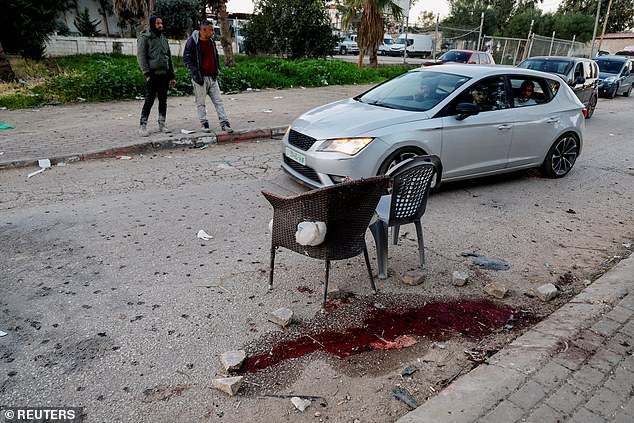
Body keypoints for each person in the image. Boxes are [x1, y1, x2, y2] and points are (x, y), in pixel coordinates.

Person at [183, 20, 233, 133]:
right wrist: (195, 73)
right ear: (204, 30)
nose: (213, 32)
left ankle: (224, 123)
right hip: (200, 79)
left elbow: (215, 55)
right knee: (200, 103)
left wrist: (217, 68)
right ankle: (204, 123)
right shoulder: (192, 42)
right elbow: (187, 59)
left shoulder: (211, 41)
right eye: (211, 30)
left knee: (218, 101)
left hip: (212, 77)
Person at [136, 16, 176, 137]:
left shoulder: (163, 38)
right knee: (149, 100)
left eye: (161, 23)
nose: (160, 25)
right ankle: (143, 125)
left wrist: (172, 75)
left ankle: (162, 123)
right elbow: (141, 56)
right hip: (152, 75)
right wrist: (147, 74)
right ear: (152, 24)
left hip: (164, 74)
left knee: (163, 100)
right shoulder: (145, 38)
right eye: (158, 23)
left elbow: (168, 56)